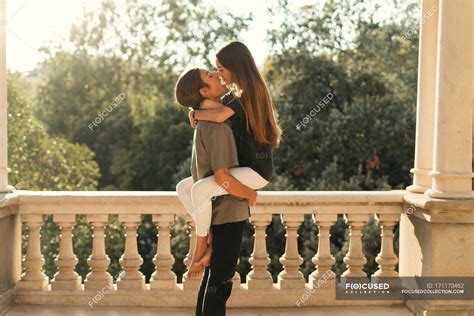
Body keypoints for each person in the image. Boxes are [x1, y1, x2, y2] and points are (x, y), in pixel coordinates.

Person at [176, 41, 282, 277]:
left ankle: (202, 243)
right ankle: (208, 233)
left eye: (221, 69)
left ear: (235, 67)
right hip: (246, 168)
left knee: (200, 190)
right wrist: (196, 111)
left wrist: (195, 113)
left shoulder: (246, 92)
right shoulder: (242, 92)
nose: (219, 75)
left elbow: (219, 115)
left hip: (256, 171)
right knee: (184, 187)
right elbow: (218, 110)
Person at [175, 67, 254, 315]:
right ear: (203, 91)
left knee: (212, 282)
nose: (216, 73)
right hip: (229, 211)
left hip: (217, 213)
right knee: (220, 285)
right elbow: (222, 178)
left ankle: (206, 247)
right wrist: (249, 194)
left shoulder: (203, 122)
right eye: (210, 75)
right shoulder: (218, 128)